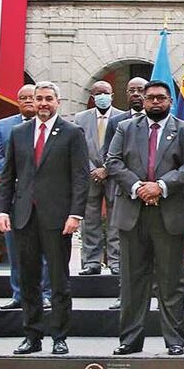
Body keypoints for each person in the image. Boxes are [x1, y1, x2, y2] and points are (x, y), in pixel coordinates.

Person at [107, 80, 184, 356]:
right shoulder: (125, 128)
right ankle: (130, 340)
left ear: (170, 101)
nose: (155, 102)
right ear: (143, 100)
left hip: (169, 213)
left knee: (171, 281)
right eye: (150, 98)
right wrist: (138, 187)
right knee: (131, 281)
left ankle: (174, 340)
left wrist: (160, 186)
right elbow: (113, 161)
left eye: (161, 98)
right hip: (132, 212)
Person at [0, 82, 89, 356]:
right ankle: (32, 336)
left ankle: (59, 336)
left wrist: (76, 213)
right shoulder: (18, 132)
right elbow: (8, 176)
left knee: (59, 280)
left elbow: (80, 177)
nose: (43, 103)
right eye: (39, 99)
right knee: (28, 280)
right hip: (24, 216)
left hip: (58, 218)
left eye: (49, 99)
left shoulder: (72, 133)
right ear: (32, 102)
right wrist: (3, 210)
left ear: (58, 102)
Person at [0, 84, 51, 310]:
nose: (27, 101)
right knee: (16, 249)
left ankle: (44, 293)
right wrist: (16, 179)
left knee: (44, 249)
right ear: (17, 101)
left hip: (44, 196)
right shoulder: (4, 126)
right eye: (22, 98)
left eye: (31, 97)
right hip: (15, 195)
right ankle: (18, 294)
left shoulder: (49, 128)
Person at [100, 76, 147, 311]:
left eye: (141, 90)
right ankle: (126, 296)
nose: (136, 94)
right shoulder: (117, 121)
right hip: (126, 193)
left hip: (156, 194)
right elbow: (110, 157)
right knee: (125, 251)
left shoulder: (163, 122)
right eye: (132, 90)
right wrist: (134, 184)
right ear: (126, 94)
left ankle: (155, 296)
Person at [74, 80, 124, 276]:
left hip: (114, 176)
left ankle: (116, 261)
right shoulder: (80, 118)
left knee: (115, 220)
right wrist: (94, 169)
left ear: (112, 95)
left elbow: (123, 147)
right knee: (90, 220)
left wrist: (107, 169)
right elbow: (78, 148)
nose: (102, 96)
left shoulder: (122, 117)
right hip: (90, 175)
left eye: (106, 93)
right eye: (98, 93)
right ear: (92, 97)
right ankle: (91, 262)